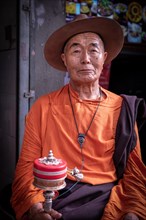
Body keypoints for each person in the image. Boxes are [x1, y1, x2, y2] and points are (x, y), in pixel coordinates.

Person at [11, 14, 146, 220]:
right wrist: (36, 207)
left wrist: (131, 212)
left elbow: (134, 173)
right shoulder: (43, 106)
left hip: (108, 196)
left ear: (104, 57)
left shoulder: (122, 108)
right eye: (76, 50)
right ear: (65, 59)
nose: (85, 58)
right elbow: (27, 166)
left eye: (93, 50)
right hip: (56, 194)